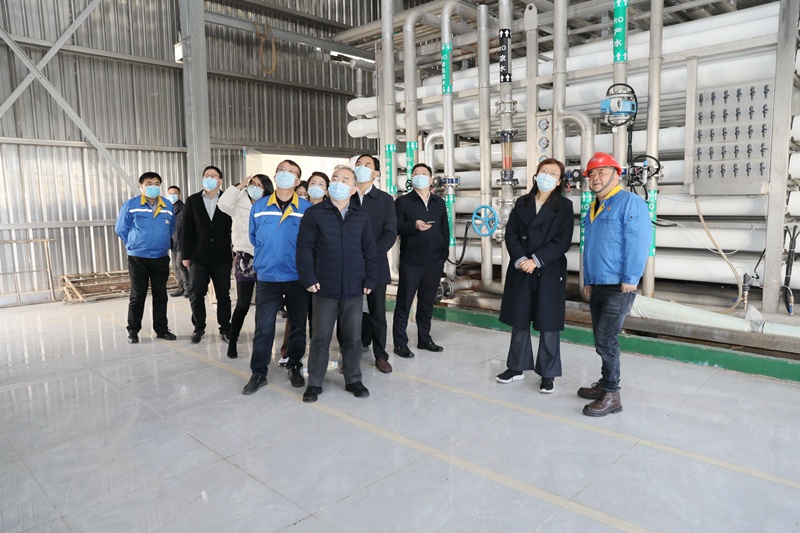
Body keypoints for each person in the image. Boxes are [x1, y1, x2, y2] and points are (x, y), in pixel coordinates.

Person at [296, 165, 378, 402]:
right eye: (335, 178)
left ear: (353, 189)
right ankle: (315, 382)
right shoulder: (315, 214)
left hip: (354, 288)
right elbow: (304, 248)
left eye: (345, 180)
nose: (338, 183)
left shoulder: (361, 216)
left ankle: (353, 379)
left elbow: (370, 250)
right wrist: (308, 278)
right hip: (324, 288)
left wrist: (370, 278)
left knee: (353, 338)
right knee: (320, 338)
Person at [578, 152, 651, 416]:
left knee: (606, 340)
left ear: (616, 175)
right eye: (591, 174)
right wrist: (588, 279)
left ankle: (612, 394)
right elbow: (590, 247)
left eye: (601, 172)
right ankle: (605, 383)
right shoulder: (594, 207)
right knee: (600, 338)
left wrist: (630, 278)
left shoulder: (631, 203)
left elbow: (638, 242)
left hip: (619, 285)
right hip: (598, 283)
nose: (595, 178)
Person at [496, 159, 574, 393]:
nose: (547, 176)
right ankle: (516, 367)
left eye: (553, 173)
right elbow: (511, 234)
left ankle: (548, 373)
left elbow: (563, 241)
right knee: (519, 319)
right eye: (544, 171)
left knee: (548, 323)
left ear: (559, 181)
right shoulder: (522, 202)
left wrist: (536, 260)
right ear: (536, 175)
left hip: (548, 269)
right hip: (522, 269)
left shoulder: (565, 206)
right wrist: (522, 259)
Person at [243, 160, 310, 395]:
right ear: (275, 175)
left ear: (298, 180)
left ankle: (294, 365)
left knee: (298, 326)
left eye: (292, 172)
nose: (286, 174)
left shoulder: (306, 208)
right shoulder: (260, 206)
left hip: (296, 277)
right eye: (282, 170)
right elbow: (254, 237)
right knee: (264, 327)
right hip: (268, 277)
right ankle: (258, 372)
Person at [392, 163, 449, 358]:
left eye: (424, 173)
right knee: (404, 303)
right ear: (411, 178)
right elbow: (396, 227)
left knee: (426, 303)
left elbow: (445, 230)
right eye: (416, 173)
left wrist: (443, 256)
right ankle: (400, 343)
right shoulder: (402, 202)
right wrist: (413, 226)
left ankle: (424, 339)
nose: (420, 176)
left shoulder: (439, 203)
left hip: (434, 262)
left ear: (431, 179)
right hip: (412, 262)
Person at [115, 171, 177, 343]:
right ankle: (133, 330)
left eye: (156, 184)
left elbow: (171, 228)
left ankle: (161, 329)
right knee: (138, 295)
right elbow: (120, 229)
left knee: (161, 295)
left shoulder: (167, 205)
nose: (153, 187)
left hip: (160, 257)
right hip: (138, 259)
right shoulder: (131, 205)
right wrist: (133, 244)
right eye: (149, 184)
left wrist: (161, 242)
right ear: (141, 186)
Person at [217, 173, 274, 359]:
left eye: (260, 185)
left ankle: (261, 344)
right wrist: (240, 185)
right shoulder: (239, 200)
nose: (255, 187)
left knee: (263, 305)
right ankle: (233, 341)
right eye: (253, 183)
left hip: (266, 256)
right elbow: (223, 204)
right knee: (243, 303)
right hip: (245, 256)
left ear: (266, 189)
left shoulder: (270, 204)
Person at [352, 154, 397, 374]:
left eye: (367, 165)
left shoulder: (385, 200)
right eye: (358, 165)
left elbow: (390, 234)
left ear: (376, 173)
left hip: (375, 264)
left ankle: (381, 355)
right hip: (349, 264)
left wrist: (369, 254)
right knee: (350, 312)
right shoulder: (346, 196)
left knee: (377, 312)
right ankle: (351, 353)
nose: (361, 168)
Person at [279, 171, 329, 364]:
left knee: (317, 319)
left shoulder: (331, 210)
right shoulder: (298, 208)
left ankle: (315, 357)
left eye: (321, 184)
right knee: (296, 317)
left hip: (322, 271)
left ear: (327, 189)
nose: (316, 187)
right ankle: (288, 353)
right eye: (313, 183)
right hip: (298, 269)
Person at [181, 165, 233, 344]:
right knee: (196, 293)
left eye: (214, 176)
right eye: (206, 175)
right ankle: (199, 327)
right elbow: (186, 229)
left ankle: (225, 328)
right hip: (198, 256)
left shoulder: (227, 200)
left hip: (222, 257)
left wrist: (235, 251)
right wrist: (185, 255)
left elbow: (236, 227)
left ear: (220, 180)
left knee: (223, 295)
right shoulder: (192, 200)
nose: (210, 178)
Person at [166, 186, 190, 298]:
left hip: (182, 241)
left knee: (180, 265)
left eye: (174, 193)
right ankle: (181, 287)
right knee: (175, 266)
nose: (172, 195)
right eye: (170, 193)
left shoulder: (184, 209)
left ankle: (188, 288)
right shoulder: (168, 209)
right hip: (172, 241)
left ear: (179, 195)